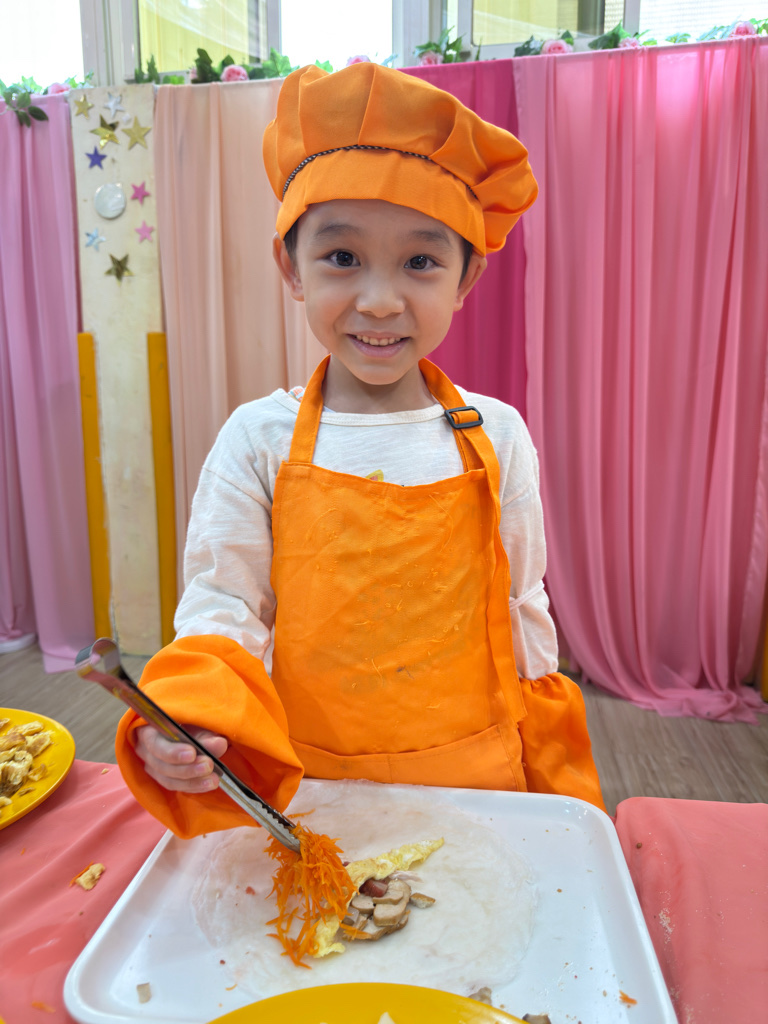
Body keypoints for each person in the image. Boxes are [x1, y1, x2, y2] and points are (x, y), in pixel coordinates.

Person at [116, 62, 605, 838]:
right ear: (291, 268)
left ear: (466, 278)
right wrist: (191, 714)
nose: (379, 301)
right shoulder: (256, 440)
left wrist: (547, 771)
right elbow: (224, 605)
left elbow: (522, 608)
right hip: (315, 788)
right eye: (342, 258)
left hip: (477, 781)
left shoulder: (498, 434)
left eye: (421, 262)